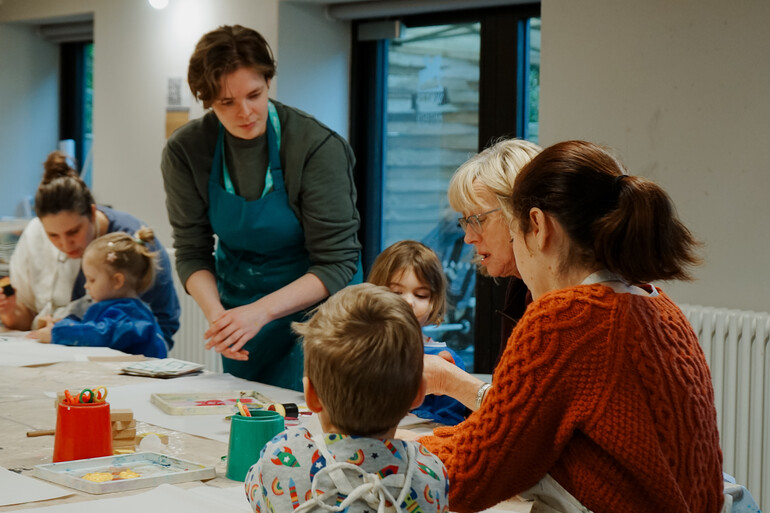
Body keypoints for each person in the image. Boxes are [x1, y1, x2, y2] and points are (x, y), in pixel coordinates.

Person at [413, 140, 724, 513]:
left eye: (515, 232)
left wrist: (384, 449)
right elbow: (517, 434)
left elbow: (468, 479)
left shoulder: (565, 319)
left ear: (538, 227)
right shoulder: (657, 303)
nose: (469, 236)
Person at [161, 25, 361, 390]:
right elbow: (192, 251)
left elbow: (338, 262)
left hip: (321, 313)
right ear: (207, 101)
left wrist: (262, 312)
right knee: (248, 418)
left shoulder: (316, 147)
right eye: (227, 103)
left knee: (313, 416)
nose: (246, 112)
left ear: (269, 80)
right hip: (240, 307)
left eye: (255, 94)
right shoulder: (187, 150)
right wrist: (220, 317)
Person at [244, 283, 449, 513]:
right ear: (419, 393)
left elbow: (255, 490)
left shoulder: (282, 456)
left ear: (311, 395)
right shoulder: (430, 473)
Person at [0, 151, 180, 349]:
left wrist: (61, 333)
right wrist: (12, 312)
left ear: (93, 213)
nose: (65, 245)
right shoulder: (35, 234)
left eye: (73, 232)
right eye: (53, 236)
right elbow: (39, 317)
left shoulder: (132, 246)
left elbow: (113, 332)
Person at [448, 138, 541, 359]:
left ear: (519, 214)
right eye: (464, 223)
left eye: (477, 220)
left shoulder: (569, 301)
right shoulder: (521, 286)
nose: (469, 238)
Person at [368, 239, 467, 425]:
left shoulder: (445, 361)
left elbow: (453, 424)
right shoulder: (359, 349)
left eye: (421, 295)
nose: (408, 302)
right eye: (396, 292)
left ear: (434, 301)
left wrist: (415, 419)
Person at [36, 228, 168, 358]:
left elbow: (101, 335)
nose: (86, 285)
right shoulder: (117, 308)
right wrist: (62, 323)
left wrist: (57, 333)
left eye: (92, 280)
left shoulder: (129, 315)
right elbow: (93, 327)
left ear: (117, 280)